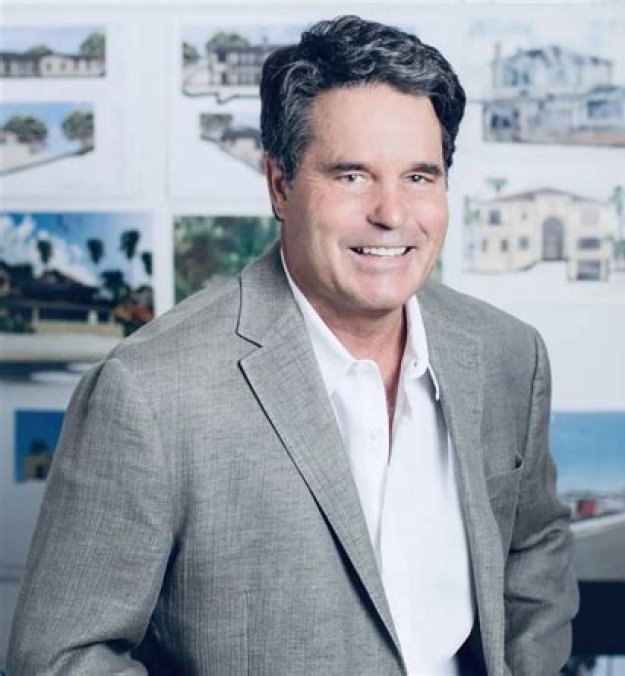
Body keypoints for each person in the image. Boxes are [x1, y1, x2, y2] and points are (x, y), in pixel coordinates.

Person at [8, 15, 577, 675]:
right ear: (280, 185)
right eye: (352, 176)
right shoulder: (149, 392)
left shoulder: (509, 354)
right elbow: (60, 659)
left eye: (419, 177)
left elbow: (534, 548)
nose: (392, 213)